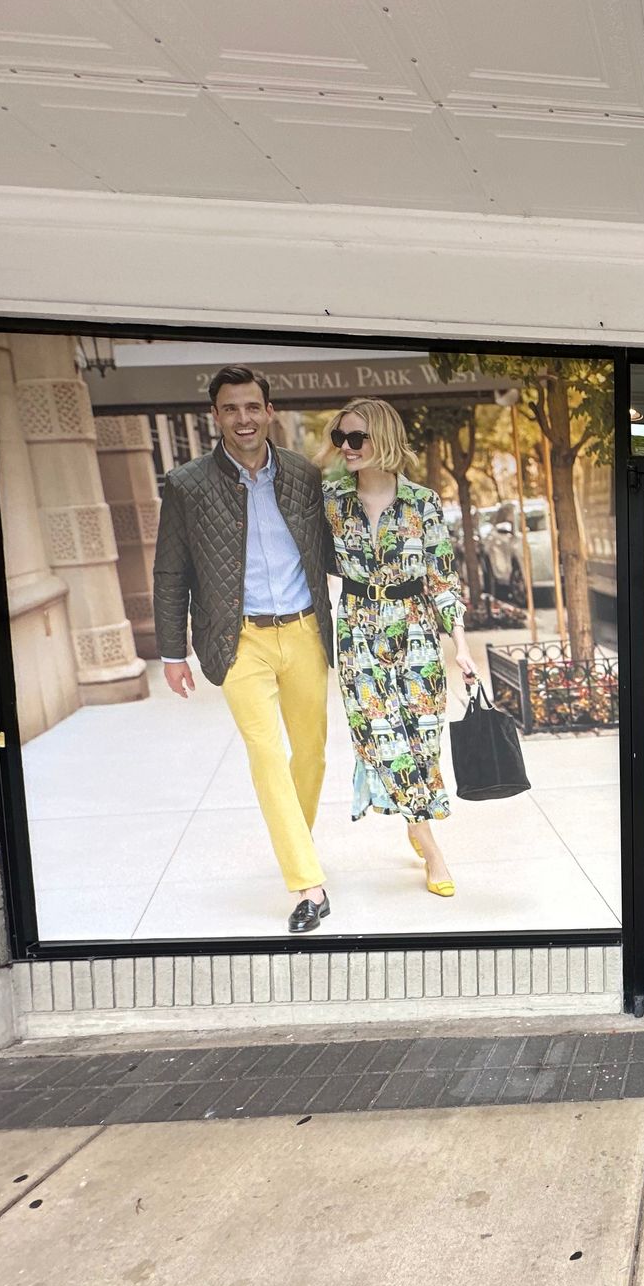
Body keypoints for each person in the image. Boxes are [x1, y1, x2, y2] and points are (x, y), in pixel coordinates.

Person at [154, 366, 338, 934]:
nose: (243, 419)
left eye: (252, 407)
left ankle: (293, 845)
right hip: (238, 639)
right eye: (231, 409)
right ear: (216, 416)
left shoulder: (305, 475)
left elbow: (332, 551)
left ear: (269, 411)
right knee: (265, 755)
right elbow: (171, 569)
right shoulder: (187, 485)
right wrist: (171, 651)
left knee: (310, 753)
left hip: (305, 630)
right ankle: (309, 884)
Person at [321, 397, 478, 895]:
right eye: (340, 438)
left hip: (415, 633)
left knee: (423, 740)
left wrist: (462, 647)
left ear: (383, 439)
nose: (347, 447)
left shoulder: (423, 502)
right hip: (358, 633)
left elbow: (442, 579)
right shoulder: (329, 500)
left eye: (357, 438)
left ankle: (414, 822)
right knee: (385, 740)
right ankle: (431, 847)